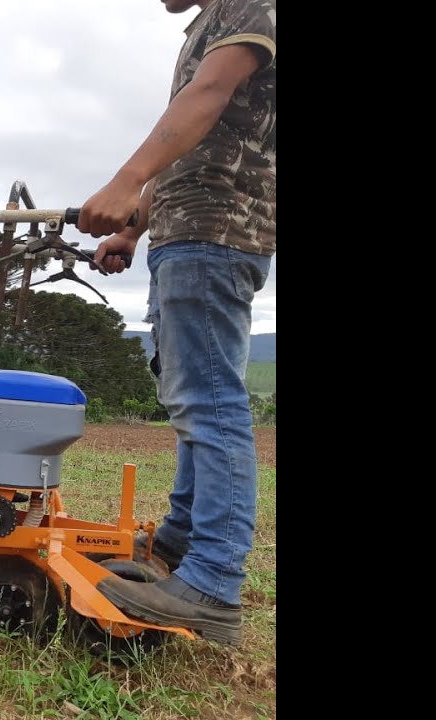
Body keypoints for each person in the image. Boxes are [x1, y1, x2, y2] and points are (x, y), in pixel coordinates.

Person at [76, 0, 275, 647]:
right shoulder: (205, 22)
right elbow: (188, 144)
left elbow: (210, 96)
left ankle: (213, 580)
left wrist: (124, 177)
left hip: (218, 233)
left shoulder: (253, 4)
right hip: (186, 234)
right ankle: (179, 544)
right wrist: (134, 228)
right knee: (193, 403)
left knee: (210, 404)